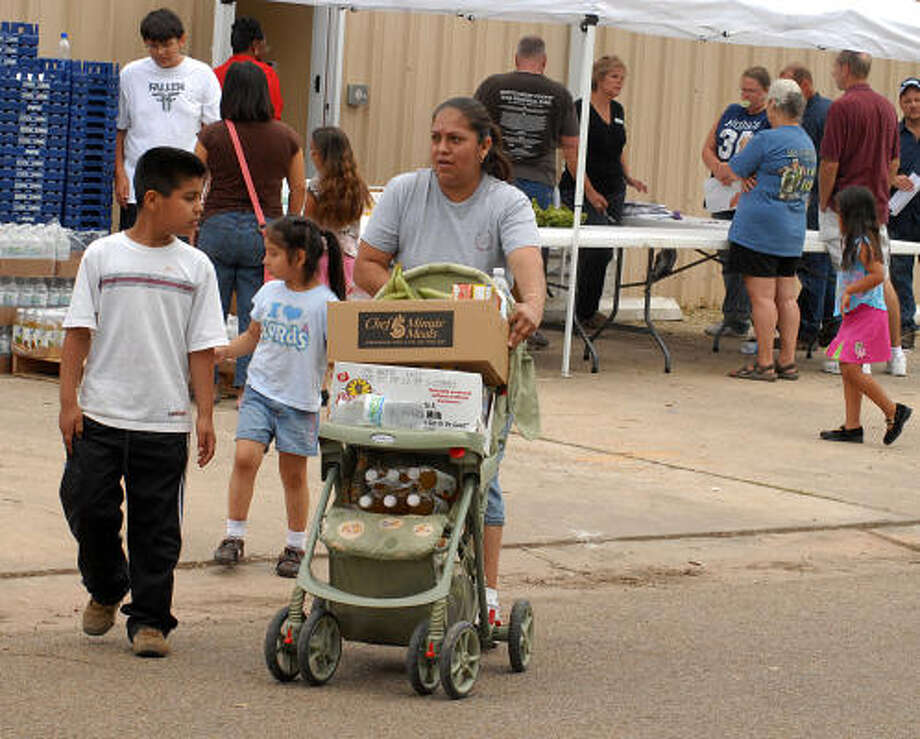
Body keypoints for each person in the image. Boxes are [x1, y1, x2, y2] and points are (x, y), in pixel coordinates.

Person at [354, 96, 545, 623]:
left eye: (455, 140)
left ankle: (485, 595)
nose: (441, 149)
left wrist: (531, 305)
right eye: (436, 137)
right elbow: (367, 267)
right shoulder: (404, 190)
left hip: (479, 359)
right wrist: (417, 304)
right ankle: (395, 575)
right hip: (409, 350)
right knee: (394, 459)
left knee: (478, 475)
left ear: (484, 147)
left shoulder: (507, 202)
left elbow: (527, 266)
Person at [58, 147, 227, 658]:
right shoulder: (104, 256)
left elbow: (202, 347)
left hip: (165, 421)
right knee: (88, 508)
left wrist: (205, 413)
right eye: (190, 197)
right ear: (152, 199)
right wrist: (69, 404)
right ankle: (108, 586)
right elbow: (77, 335)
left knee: (158, 527)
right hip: (101, 414)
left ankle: (150, 620)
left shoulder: (196, 267)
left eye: (202, 197)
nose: (199, 208)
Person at [213, 217, 344, 577]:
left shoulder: (326, 304)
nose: (264, 261)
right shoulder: (268, 293)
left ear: (298, 257)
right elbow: (253, 337)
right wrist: (224, 352)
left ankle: (295, 545)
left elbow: (335, 355)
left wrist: (337, 390)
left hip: (299, 404)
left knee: (293, 475)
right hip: (259, 391)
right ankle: (233, 536)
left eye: (272, 254)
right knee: (244, 458)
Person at [195, 61, 306, 395]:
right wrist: (288, 224)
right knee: (255, 314)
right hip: (265, 233)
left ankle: (207, 385)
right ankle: (247, 387)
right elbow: (299, 186)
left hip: (217, 226)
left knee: (208, 311)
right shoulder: (286, 137)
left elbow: (193, 175)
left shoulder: (212, 134)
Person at [475, 35, 580, 348]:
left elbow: (471, 126)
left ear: (516, 57)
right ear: (544, 61)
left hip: (495, 176)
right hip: (538, 181)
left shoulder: (493, 86)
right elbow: (572, 146)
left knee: (489, 247)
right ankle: (527, 321)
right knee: (530, 253)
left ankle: (486, 316)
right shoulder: (559, 93)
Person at [715, 79, 816, 381]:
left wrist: (745, 153)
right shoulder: (806, 143)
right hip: (791, 229)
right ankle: (787, 360)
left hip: (760, 228)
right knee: (786, 297)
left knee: (760, 298)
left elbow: (731, 170)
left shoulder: (766, 139)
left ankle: (763, 362)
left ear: (773, 104)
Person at [818, 50, 907, 377]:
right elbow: (893, 163)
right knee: (880, 276)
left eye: (834, 68)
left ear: (845, 69)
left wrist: (826, 200)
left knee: (851, 277)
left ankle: (859, 353)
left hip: (846, 206)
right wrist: (879, 187)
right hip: (877, 205)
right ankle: (896, 354)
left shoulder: (841, 107)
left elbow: (830, 163)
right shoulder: (886, 107)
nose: (833, 74)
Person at [558, 55, 648, 330]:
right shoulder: (579, 109)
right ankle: (579, 312)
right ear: (599, 77)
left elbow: (618, 148)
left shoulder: (618, 110)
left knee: (605, 250)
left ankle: (588, 311)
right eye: (614, 77)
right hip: (583, 188)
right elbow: (571, 156)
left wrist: (628, 176)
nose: (619, 83)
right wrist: (590, 192)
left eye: (622, 78)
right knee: (593, 250)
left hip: (613, 189)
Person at [115, 8, 222, 231]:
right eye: (153, 46)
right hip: (139, 184)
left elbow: (212, 134)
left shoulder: (202, 75)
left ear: (181, 40)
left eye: (167, 45)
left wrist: (205, 180)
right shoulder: (130, 74)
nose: (160, 52)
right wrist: (120, 174)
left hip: (184, 186)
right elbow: (120, 129)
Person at [820, 186, 912, 444]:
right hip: (855, 314)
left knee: (850, 366)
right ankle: (852, 426)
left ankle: (893, 410)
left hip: (868, 314)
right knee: (848, 365)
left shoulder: (863, 244)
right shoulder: (852, 241)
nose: (836, 219)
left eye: (839, 214)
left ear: (852, 216)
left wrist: (851, 289)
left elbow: (878, 275)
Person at [701, 66, 772, 339]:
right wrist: (717, 165)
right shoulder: (731, 111)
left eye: (751, 90)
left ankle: (745, 316)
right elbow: (707, 146)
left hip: (746, 195)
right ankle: (733, 316)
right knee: (727, 257)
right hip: (721, 191)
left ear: (765, 92)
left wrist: (748, 175)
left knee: (745, 258)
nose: (745, 95)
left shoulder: (768, 118)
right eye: (743, 89)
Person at [779, 63, 835, 350]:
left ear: (805, 85)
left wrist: (819, 198)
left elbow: (827, 160)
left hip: (815, 199)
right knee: (816, 264)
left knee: (816, 265)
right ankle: (824, 324)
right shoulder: (801, 113)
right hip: (803, 198)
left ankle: (809, 328)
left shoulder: (822, 112)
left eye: (788, 86)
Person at [304, 126, 373, 297]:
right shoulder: (357, 185)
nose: (312, 157)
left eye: (314, 152)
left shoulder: (316, 186)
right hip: (349, 258)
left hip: (322, 259)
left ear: (326, 156)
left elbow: (308, 225)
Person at [887, 77, 920, 352]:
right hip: (900, 216)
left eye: (917, 99)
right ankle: (906, 327)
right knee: (900, 274)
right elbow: (878, 169)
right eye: (907, 100)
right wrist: (893, 179)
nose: (913, 105)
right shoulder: (893, 136)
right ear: (900, 103)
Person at [213, 16, 283, 121]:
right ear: (255, 45)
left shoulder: (214, 75)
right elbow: (274, 115)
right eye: (264, 44)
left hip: (224, 134)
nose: (266, 49)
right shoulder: (267, 73)